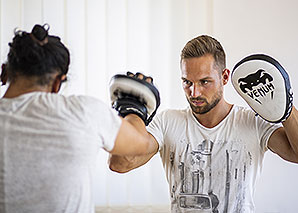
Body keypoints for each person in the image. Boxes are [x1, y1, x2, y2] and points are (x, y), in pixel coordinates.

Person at [109, 35, 298, 212]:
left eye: (204, 82)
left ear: (224, 77)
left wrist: (286, 111)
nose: (194, 93)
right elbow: (120, 164)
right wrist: (132, 116)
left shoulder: (252, 122)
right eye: (187, 82)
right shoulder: (168, 122)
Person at [0, 24, 158, 213]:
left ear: (4, 72)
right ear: (58, 83)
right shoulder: (82, 112)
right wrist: (132, 108)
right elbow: (141, 144)